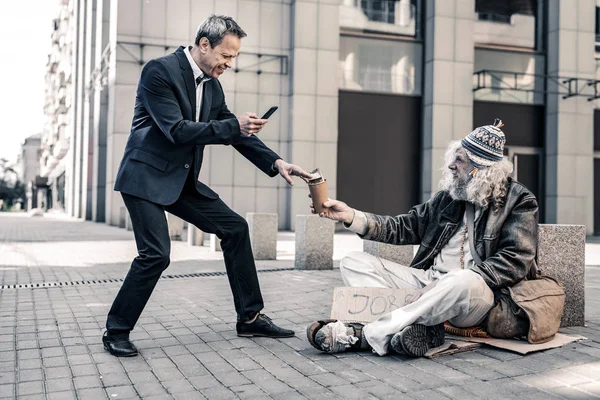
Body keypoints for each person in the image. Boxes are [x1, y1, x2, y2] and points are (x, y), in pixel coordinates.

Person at [103, 15, 312, 357]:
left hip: (180, 181)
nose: (230, 63)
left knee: (235, 228)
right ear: (204, 45)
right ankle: (116, 330)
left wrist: (276, 162)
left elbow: (234, 132)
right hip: (144, 179)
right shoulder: (159, 71)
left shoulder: (212, 86)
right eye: (226, 56)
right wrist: (235, 126)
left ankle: (250, 318)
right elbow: (178, 130)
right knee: (156, 254)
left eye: (234, 57)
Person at [306, 120, 539, 357]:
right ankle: (414, 330)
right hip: (428, 282)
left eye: (460, 160)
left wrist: (443, 284)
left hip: (475, 294)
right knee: (353, 261)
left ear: (480, 169)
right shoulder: (448, 198)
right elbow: (405, 226)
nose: (451, 166)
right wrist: (352, 216)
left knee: (462, 280)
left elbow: (515, 261)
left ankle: (366, 334)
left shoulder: (519, 201)